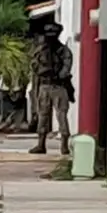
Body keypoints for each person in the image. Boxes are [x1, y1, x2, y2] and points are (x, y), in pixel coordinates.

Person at [30, 22, 74, 155]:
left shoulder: (63, 51)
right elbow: (34, 66)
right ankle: (41, 144)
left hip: (58, 86)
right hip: (46, 85)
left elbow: (66, 69)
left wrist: (55, 74)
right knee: (43, 115)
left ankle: (64, 145)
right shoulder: (41, 50)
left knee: (61, 115)